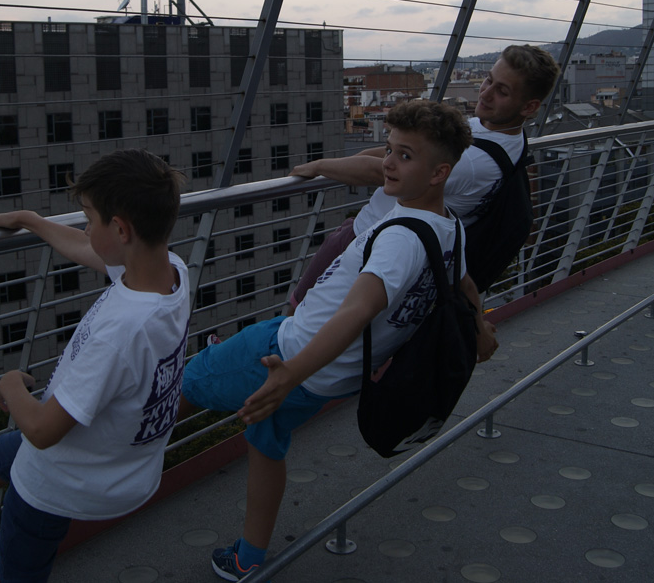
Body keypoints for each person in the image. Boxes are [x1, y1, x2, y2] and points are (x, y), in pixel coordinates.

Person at [180, 100, 498, 581]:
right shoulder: (448, 224)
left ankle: (117, 461)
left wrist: (290, 372)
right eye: (389, 149)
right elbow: (464, 283)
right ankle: (248, 557)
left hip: (286, 351)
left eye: (405, 155)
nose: (388, 163)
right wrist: (481, 330)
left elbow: (358, 309)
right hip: (336, 377)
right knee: (267, 439)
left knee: (187, 380)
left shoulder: (400, 238)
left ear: (439, 173)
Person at [0, 149, 190, 583]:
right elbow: (90, 250)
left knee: (20, 565)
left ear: (121, 229)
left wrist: (11, 385)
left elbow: (44, 432)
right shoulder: (170, 271)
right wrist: (32, 221)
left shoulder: (122, 333)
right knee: (9, 450)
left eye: (89, 218)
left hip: (63, 481)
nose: (85, 229)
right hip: (123, 463)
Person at [287, 44, 560, 308]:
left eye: (502, 91)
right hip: (399, 247)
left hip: (370, 244)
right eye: (489, 80)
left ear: (529, 107)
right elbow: (396, 152)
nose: (486, 94)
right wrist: (365, 158)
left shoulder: (473, 161)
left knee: (299, 311)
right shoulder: (504, 136)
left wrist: (319, 166)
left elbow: (380, 170)